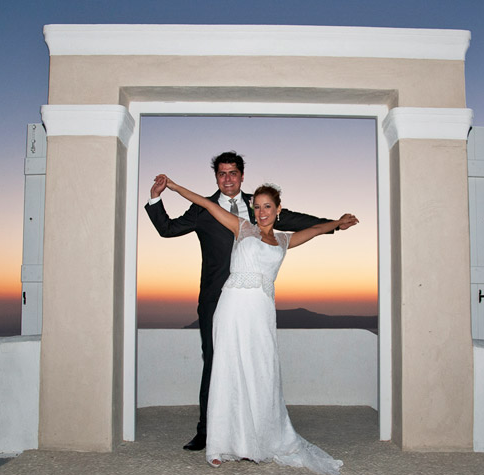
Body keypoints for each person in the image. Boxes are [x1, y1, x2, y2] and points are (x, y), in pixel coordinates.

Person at [145, 151, 354, 452]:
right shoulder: (205, 209)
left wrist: (335, 223)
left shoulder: (259, 206)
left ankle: (253, 428)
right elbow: (168, 229)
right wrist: (158, 197)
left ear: (242, 175)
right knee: (215, 361)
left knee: (258, 363)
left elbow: (300, 223)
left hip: (257, 304)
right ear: (216, 177)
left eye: (233, 173)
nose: (227, 178)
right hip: (218, 298)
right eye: (221, 173)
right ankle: (208, 430)